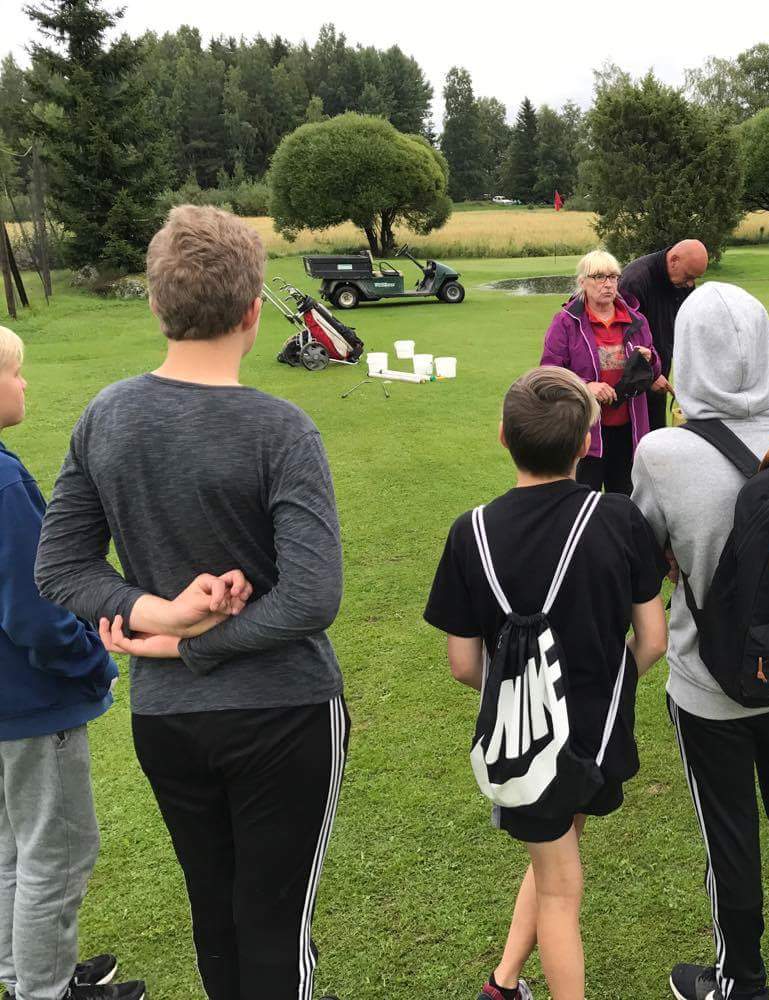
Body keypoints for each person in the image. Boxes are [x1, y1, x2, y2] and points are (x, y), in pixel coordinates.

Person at [35, 206, 349, 1000]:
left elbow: (62, 568)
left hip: (170, 719)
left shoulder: (107, 416)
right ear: (251, 314)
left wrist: (173, 631)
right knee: (269, 925)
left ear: (155, 304)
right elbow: (313, 596)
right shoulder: (281, 428)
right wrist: (171, 620)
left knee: (219, 918)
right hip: (282, 712)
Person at [425, 366, 668, 1000]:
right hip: (597, 732)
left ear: (503, 436)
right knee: (560, 883)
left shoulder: (470, 532)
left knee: (553, 859)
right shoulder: (618, 518)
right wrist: (601, 683)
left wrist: (522, 691)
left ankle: (502, 983)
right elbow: (653, 640)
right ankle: (505, 983)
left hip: (525, 739)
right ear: (589, 440)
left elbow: (462, 664)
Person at [632, 282, 769, 1000]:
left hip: (709, 680)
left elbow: (646, 555)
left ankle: (741, 979)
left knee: (729, 832)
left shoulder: (662, 452)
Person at [0, 326, 145, 1000]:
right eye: (15, 373)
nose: (24, 383)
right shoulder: (3, 481)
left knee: (12, 848)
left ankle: (24, 975)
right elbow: (36, 608)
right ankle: (46, 990)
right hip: (31, 702)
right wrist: (90, 660)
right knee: (56, 852)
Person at [541, 250, 665, 495]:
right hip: (585, 432)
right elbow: (549, 374)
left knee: (625, 500)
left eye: (613, 277)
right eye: (599, 277)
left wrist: (651, 359)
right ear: (582, 282)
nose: (608, 284)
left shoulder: (636, 320)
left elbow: (654, 369)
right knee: (584, 501)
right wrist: (585, 387)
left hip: (630, 430)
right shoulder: (565, 322)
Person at [618, 240, 709, 430]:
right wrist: (650, 375)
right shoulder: (634, 281)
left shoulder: (682, 283)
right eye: (688, 276)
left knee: (657, 432)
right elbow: (622, 337)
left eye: (694, 279)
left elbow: (686, 324)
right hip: (631, 382)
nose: (690, 284)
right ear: (674, 260)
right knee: (635, 437)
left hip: (660, 372)